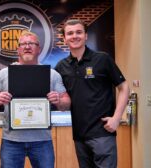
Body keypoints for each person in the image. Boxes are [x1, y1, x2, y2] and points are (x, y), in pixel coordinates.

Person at [0, 30, 71, 168]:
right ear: (18, 49)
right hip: (11, 141)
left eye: (31, 43)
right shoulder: (4, 73)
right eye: (23, 44)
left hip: (42, 141)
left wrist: (59, 101)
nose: (27, 47)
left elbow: (66, 103)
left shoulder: (52, 74)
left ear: (39, 49)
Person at [55, 19, 130, 168]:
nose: (74, 36)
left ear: (86, 35)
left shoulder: (102, 59)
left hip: (103, 133)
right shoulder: (61, 67)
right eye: (70, 33)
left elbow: (124, 87)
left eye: (79, 32)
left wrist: (116, 118)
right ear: (64, 38)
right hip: (79, 136)